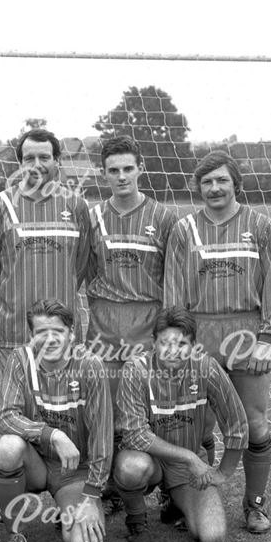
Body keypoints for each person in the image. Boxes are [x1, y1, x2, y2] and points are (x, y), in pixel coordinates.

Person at [164, 152, 271, 534]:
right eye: (207, 182)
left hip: (247, 332)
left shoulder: (260, 226)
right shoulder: (184, 230)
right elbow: (173, 290)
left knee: (254, 424)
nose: (214, 188)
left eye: (221, 181)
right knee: (196, 425)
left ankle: (255, 505)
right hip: (199, 335)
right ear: (198, 188)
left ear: (236, 183)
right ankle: (192, 498)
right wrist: (178, 340)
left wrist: (268, 336)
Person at [112, 307, 248, 542]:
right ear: (154, 342)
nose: (173, 351)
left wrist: (222, 473)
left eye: (182, 344)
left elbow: (237, 424)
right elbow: (134, 435)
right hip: (149, 460)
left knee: (213, 536)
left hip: (185, 468)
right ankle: (136, 519)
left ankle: (176, 501)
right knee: (131, 467)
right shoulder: (136, 370)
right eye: (166, 343)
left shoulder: (206, 368)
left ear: (194, 345)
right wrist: (190, 458)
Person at [0, 299, 110, 542]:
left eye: (58, 331)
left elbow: (103, 437)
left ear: (72, 333)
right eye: (42, 332)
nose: (50, 339)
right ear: (31, 336)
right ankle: (15, 533)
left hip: (74, 472)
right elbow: (4, 417)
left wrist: (91, 497)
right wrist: (52, 434)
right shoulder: (20, 360)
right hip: (35, 463)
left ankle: (69, 512)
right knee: (7, 447)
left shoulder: (90, 366)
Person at [0, 128, 93, 367]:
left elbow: (80, 266)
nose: (36, 164)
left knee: (67, 404)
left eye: (44, 157)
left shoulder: (77, 206)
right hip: (15, 334)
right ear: (20, 163)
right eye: (29, 158)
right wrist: (14, 296)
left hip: (64, 334)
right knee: (16, 403)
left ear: (57, 161)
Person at [85, 136, 178, 388]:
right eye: (113, 170)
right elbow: (91, 271)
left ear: (141, 169)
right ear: (103, 173)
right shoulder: (92, 218)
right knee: (106, 404)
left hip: (148, 320)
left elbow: (172, 277)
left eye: (128, 169)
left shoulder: (164, 218)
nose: (122, 176)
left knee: (147, 403)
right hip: (105, 321)